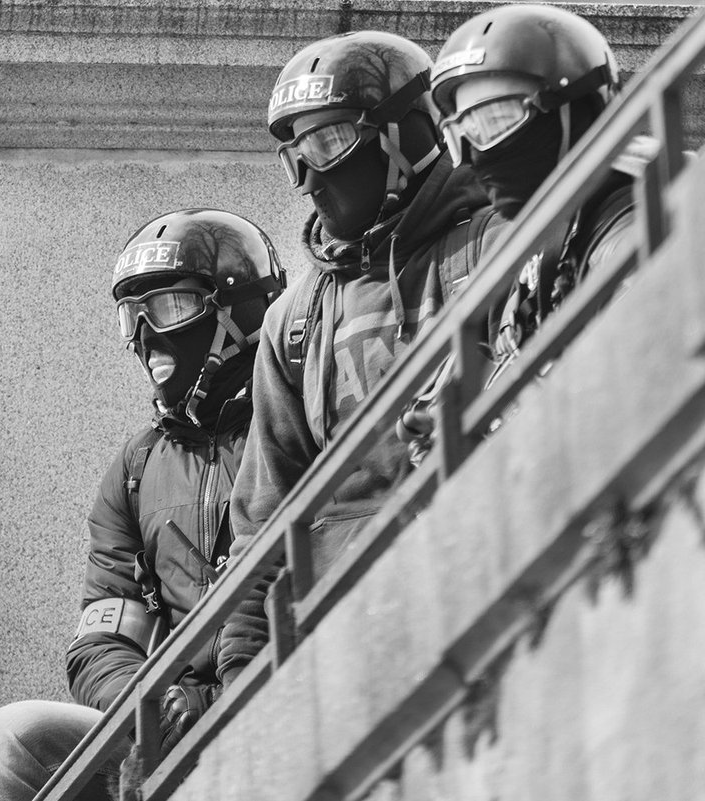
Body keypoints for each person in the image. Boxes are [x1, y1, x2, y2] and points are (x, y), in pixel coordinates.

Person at [217, 31, 504, 686]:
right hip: (340, 643)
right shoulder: (295, 319)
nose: (309, 178)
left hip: (478, 588)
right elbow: (264, 523)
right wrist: (239, 677)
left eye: (329, 142)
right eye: (294, 156)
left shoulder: (498, 244)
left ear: (408, 136)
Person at [0, 209, 285, 801]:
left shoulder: (293, 419)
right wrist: (155, 708)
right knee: (10, 739)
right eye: (131, 315)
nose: (145, 335)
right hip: (169, 725)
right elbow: (101, 641)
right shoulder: (136, 468)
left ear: (238, 312)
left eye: (170, 307)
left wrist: (216, 699)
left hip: (283, 692)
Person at [397, 4, 630, 455]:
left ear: (577, 107)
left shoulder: (635, 217)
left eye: (497, 120)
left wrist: (492, 415)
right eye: (463, 133)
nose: (477, 154)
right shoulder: (536, 252)